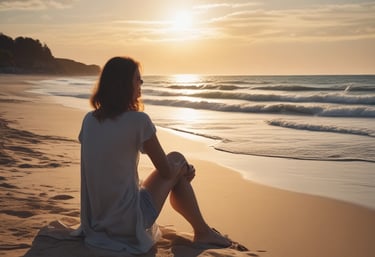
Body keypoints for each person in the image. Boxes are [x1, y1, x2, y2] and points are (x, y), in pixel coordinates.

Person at [77, 56, 235, 254]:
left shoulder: (89, 120)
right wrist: (184, 170)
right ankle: (203, 231)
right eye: (137, 79)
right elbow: (167, 171)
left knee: (175, 170)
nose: (141, 84)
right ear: (124, 84)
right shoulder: (138, 121)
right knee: (176, 158)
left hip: (97, 219)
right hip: (128, 221)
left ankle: (203, 230)